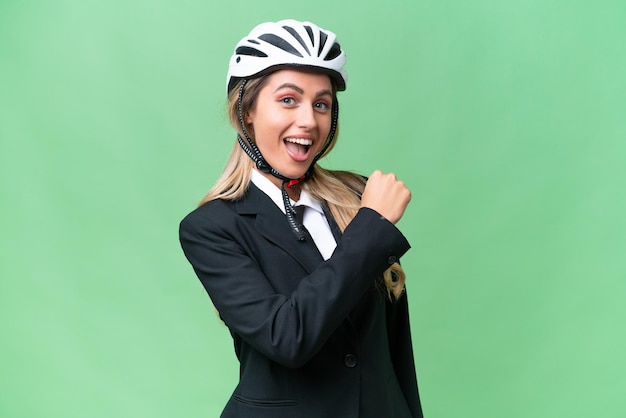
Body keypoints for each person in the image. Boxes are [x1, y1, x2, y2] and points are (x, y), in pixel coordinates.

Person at [179, 19, 424, 418]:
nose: (309, 120)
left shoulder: (357, 197)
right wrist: (371, 226)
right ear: (247, 112)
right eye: (288, 100)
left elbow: (395, 350)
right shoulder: (211, 228)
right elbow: (287, 337)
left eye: (321, 103)